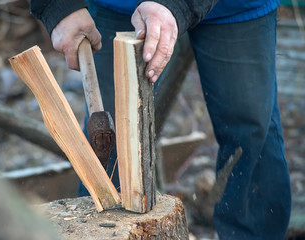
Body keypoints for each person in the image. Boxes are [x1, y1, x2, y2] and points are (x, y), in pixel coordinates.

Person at [30, 0, 292, 239]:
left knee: (250, 131)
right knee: (113, 142)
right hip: (118, 6)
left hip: (233, 8)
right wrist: (59, 5)